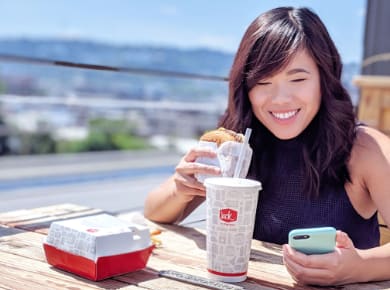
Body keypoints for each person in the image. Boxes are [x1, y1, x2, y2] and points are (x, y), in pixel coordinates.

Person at [144, 6, 390, 286]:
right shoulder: (237, 144)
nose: (280, 99)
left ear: (325, 77)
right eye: (263, 82)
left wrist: (357, 267)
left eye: (298, 79)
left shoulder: (364, 148)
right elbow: (154, 212)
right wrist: (180, 188)